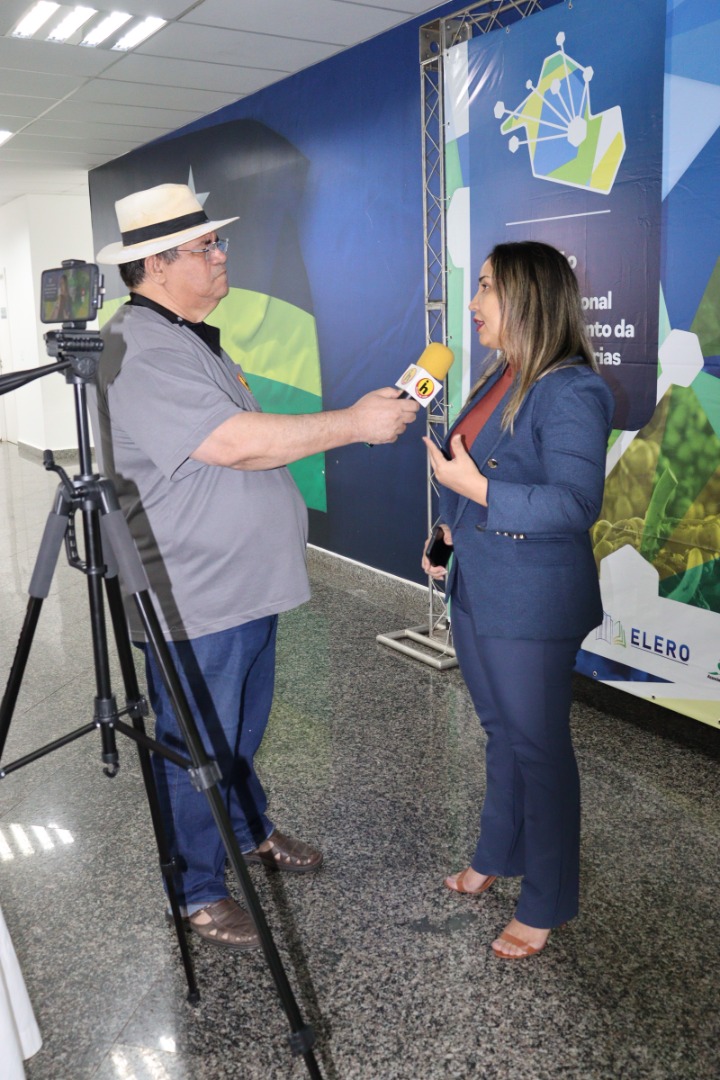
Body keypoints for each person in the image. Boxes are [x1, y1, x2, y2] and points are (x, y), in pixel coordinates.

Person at [91, 182, 419, 950]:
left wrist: (349, 421)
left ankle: (248, 830)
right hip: (194, 593)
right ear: (157, 263)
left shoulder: (189, 337)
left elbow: (249, 437)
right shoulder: (139, 348)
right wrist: (355, 424)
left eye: (216, 242)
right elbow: (234, 443)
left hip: (239, 586)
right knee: (196, 742)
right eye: (206, 246)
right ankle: (197, 893)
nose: (220, 255)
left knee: (235, 731)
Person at [423, 241, 615, 960]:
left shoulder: (573, 390)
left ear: (530, 298)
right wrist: (449, 530)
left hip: (532, 602)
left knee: (538, 749)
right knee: (501, 734)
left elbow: (575, 503)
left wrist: (476, 490)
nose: (473, 303)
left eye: (486, 288)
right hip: (478, 584)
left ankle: (547, 900)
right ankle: (495, 854)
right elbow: (471, 471)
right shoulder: (500, 375)